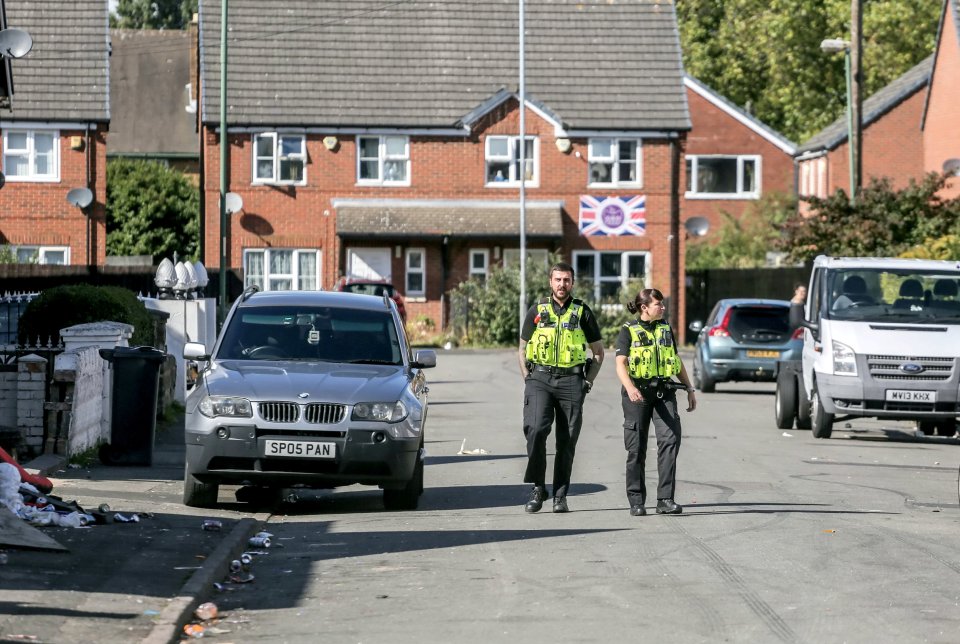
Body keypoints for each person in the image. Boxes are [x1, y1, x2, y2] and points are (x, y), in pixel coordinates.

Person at [518, 262, 604, 513]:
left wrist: (587, 382)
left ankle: (559, 494)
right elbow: (522, 349)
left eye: (566, 280)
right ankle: (537, 487)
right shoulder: (537, 309)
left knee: (566, 441)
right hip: (540, 379)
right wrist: (528, 378)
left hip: (571, 381)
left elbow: (598, 352)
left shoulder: (582, 312)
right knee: (535, 430)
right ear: (550, 281)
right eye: (558, 280)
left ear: (572, 283)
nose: (562, 285)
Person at [615, 288, 696, 516]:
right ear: (644, 308)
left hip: (664, 392)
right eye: (658, 304)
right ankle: (636, 500)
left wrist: (689, 387)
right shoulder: (628, 330)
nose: (662, 308)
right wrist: (630, 388)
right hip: (637, 393)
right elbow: (620, 363)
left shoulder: (665, 328)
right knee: (636, 448)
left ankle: (665, 499)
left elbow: (675, 359)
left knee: (670, 441)